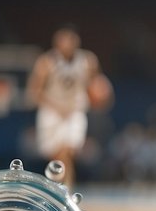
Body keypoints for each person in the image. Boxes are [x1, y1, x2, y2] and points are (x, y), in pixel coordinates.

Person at [26, 25, 103, 186]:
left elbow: (96, 84)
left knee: (67, 150)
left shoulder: (88, 61)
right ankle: (62, 187)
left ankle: (65, 189)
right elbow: (34, 92)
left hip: (74, 110)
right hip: (52, 111)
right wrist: (56, 106)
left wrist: (100, 95)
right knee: (56, 156)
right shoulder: (46, 62)